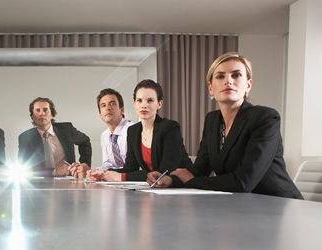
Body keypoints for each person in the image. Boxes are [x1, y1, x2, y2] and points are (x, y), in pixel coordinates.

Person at [148, 52, 303, 199]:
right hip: (240, 205)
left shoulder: (265, 118)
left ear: (248, 85)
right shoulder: (212, 120)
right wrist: (171, 180)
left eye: (236, 75)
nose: (228, 81)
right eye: (220, 76)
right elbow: (201, 170)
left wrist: (190, 181)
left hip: (277, 204)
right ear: (210, 87)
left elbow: (244, 182)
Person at [90, 80, 193, 181]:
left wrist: (121, 177)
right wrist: (104, 174)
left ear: (159, 104)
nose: (144, 105)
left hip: (183, 185)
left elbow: (164, 172)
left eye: (150, 100)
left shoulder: (170, 127)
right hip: (155, 188)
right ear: (134, 103)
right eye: (139, 100)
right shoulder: (133, 131)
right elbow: (130, 168)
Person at [18, 97, 91, 177]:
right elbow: (25, 168)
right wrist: (55, 172)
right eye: (37, 110)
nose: (42, 113)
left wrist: (85, 164)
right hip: (39, 182)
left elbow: (85, 141)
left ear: (52, 114)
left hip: (68, 180)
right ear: (32, 116)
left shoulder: (66, 129)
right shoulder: (25, 137)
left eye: (45, 110)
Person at [86, 88, 135, 181]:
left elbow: (134, 167)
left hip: (136, 181)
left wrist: (107, 173)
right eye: (103, 105)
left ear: (122, 110)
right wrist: (93, 171)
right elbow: (108, 165)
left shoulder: (132, 129)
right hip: (117, 183)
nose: (107, 108)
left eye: (112, 103)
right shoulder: (104, 136)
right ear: (100, 114)